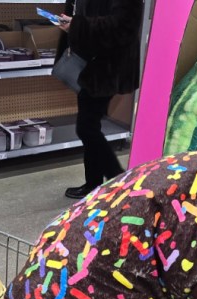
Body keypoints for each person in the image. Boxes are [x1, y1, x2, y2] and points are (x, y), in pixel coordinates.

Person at [56, 0, 143, 199]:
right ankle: (93, 184)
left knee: (86, 127)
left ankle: (120, 182)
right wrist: (72, 22)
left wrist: (78, 26)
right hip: (89, 63)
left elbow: (125, 25)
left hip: (109, 66)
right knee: (90, 124)